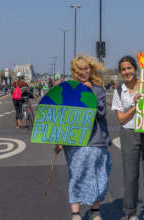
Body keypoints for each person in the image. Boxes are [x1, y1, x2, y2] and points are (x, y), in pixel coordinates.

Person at [55, 55, 112, 220]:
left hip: (96, 140)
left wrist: (89, 93)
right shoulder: (68, 88)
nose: (83, 72)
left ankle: (95, 210)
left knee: (99, 175)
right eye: (79, 69)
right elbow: (61, 116)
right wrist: (58, 139)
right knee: (77, 175)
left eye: (86, 68)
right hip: (74, 141)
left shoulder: (98, 89)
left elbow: (101, 113)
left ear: (90, 69)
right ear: (74, 71)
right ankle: (76, 213)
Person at [111, 56, 144, 220]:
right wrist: (134, 105)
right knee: (130, 175)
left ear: (135, 69)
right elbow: (121, 119)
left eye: (129, 68)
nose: (127, 72)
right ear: (120, 72)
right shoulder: (119, 91)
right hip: (129, 133)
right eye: (123, 69)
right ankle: (131, 212)